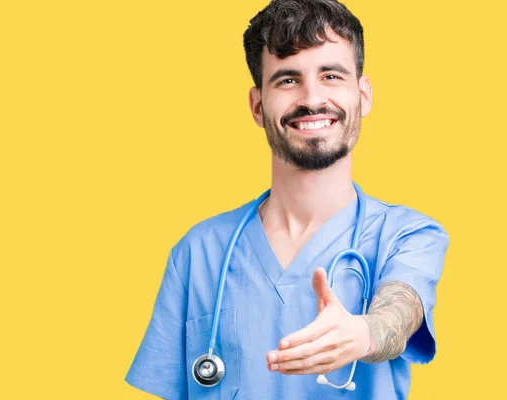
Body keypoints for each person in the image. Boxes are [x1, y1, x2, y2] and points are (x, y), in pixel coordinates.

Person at [125, 0, 449, 398]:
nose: (312, 98)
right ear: (258, 105)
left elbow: (402, 308)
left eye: (331, 75)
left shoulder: (408, 235)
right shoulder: (198, 253)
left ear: (363, 95)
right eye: (287, 80)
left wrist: (363, 333)